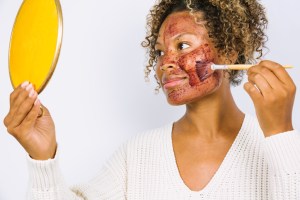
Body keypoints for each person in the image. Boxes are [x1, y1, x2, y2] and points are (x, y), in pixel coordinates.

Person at [3, 0, 299, 199]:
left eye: (183, 45)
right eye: (159, 52)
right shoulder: (138, 155)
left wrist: (280, 131)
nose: (165, 62)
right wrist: (43, 159)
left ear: (231, 51)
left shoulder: (276, 148)